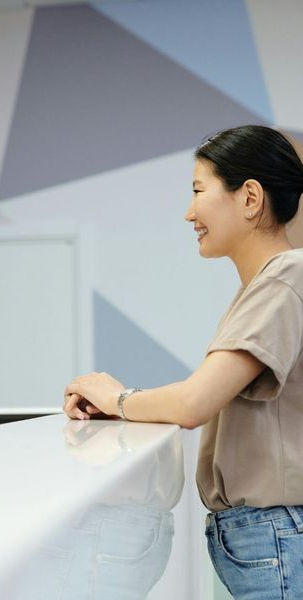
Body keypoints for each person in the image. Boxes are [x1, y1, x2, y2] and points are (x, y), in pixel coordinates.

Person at [64, 125, 303, 599]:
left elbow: (196, 402)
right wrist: (126, 404)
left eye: (198, 191)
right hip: (269, 533)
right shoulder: (267, 284)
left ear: (250, 198)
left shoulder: (284, 276)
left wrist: (118, 397)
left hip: (277, 531)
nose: (189, 212)